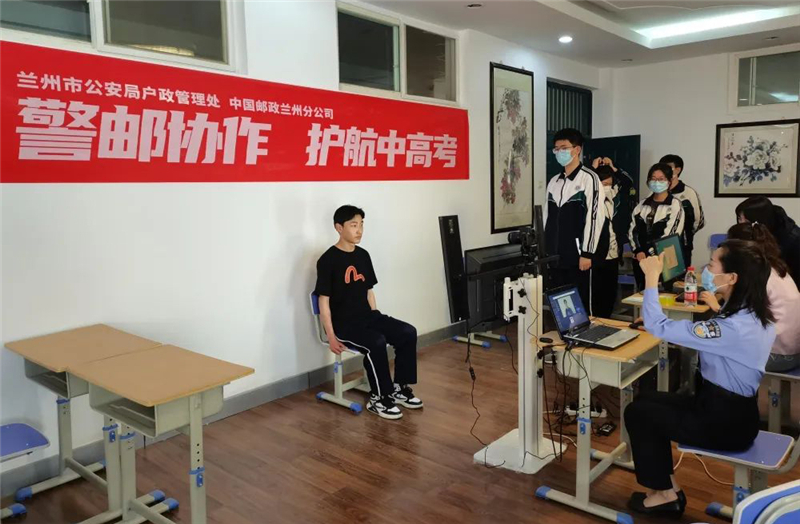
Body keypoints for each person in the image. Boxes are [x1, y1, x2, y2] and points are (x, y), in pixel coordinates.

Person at [625, 241, 776, 517]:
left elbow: (661, 326)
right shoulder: (751, 314)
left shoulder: (732, 327)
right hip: (729, 412)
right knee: (646, 400)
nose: (706, 269)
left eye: (712, 264)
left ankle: (665, 496)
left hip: (724, 424)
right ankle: (668, 489)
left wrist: (651, 277)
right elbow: (719, 336)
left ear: (732, 277)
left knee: (639, 413)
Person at [314, 205, 422, 420]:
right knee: (376, 342)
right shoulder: (327, 260)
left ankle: (399, 388)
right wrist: (331, 336)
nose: (359, 230)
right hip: (344, 324)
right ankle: (379, 398)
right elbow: (323, 301)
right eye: (353, 225)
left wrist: (376, 317)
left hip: (368, 317)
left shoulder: (363, 255)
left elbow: (368, 292)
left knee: (407, 332)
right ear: (339, 228)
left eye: (361, 225)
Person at [707, 223, 799, 372]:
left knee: (710, 349)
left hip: (777, 355)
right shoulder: (774, 267)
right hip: (790, 349)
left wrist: (717, 307)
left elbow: (741, 322)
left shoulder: (758, 277)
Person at [545, 128, 605, 311]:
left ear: (577, 150)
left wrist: (587, 252)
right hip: (555, 255)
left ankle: (585, 329)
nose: (559, 152)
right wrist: (545, 249)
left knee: (581, 302)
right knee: (560, 302)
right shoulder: (554, 181)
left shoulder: (590, 179)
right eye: (556, 149)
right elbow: (547, 217)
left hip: (579, 256)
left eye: (564, 148)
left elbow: (595, 218)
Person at [628, 163, 685, 289]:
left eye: (661, 179)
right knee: (643, 293)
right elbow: (633, 230)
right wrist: (638, 250)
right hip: (642, 259)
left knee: (664, 294)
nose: (656, 182)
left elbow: (671, 233)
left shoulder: (675, 205)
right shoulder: (641, 205)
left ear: (669, 182)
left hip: (665, 259)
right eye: (653, 179)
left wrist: (653, 253)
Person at [589, 160, 625, 318]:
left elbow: (627, 184)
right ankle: (596, 321)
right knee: (596, 293)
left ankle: (607, 320)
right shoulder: (590, 200)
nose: (607, 187)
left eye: (610, 184)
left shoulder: (615, 199)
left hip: (613, 254)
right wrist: (592, 169)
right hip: (596, 254)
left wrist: (614, 168)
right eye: (604, 184)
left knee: (610, 293)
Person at [736, 196, 800, 283]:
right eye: (739, 219)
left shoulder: (794, 241)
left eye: (747, 222)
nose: (741, 224)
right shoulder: (748, 233)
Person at [660, 154, 704, 267]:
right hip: (659, 243)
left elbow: (699, 221)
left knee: (680, 276)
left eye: (668, 167)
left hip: (682, 244)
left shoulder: (689, 193)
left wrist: (685, 233)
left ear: (678, 170)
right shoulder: (656, 192)